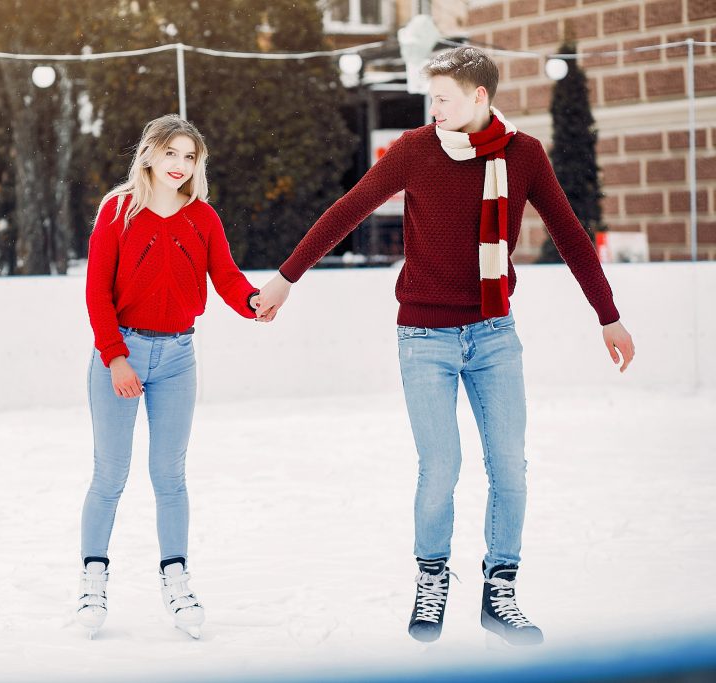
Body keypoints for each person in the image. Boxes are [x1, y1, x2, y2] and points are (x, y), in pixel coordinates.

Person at [254, 46, 635, 646]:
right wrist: (286, 277)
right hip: (424, 337)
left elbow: (570, 233)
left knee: (510, 467)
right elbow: (348, 210)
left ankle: (500, 589)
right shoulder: (414, 151)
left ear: (479, 97)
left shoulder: (525, 156)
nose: (432, 109)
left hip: (494, 336)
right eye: (429, 98)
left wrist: (607, 316)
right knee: (442, 468)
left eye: (443, 99)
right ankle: (431, 579)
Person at [79, 114, 263, 639]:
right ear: (150, 155)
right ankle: (93, 579)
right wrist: (115, 357)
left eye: (190, 157)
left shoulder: (202, 218)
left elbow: (225, 276)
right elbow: (97, 292)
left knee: (170, 476)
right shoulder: (118, 211)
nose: (180, 166)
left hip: (179, 357)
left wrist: (253, 304)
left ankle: (176, 579)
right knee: (110, 475)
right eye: (172, 154)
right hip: (122, 353)